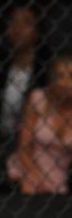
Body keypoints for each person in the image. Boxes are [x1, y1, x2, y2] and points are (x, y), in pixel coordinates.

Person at [7, 52, 72, 195]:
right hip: (27, 164)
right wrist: (37, 179)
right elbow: (24, 148)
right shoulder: (38, 99)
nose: (66, 82)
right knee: (28, 188)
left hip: (59, 174)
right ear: (51, 79)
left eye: (71, 77)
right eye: (60, 76)